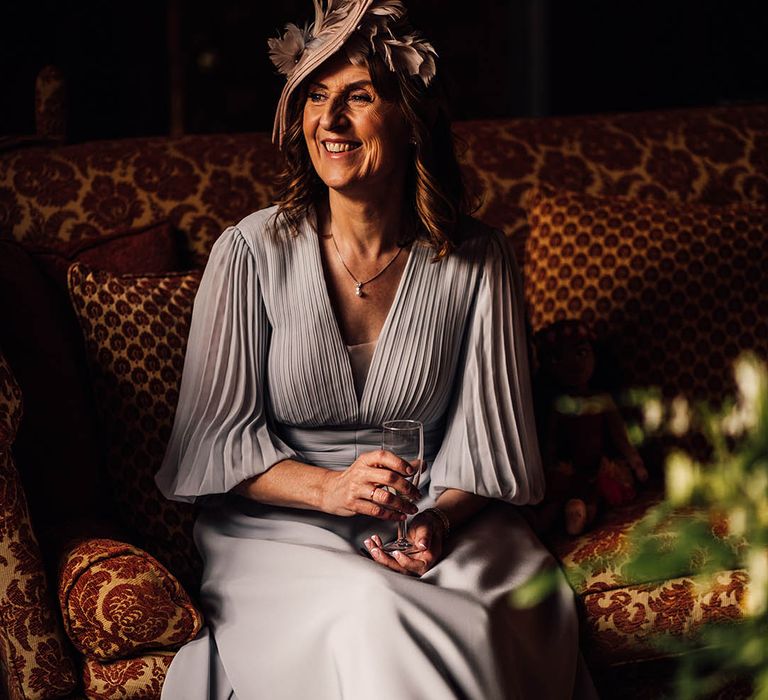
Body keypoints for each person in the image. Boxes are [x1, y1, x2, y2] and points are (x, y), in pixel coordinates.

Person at [156, 1, 597, 698]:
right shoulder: (247, 251)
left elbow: (491, 443)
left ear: (410, 118)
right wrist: (331, 489)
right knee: (372, 615)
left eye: (357, 96)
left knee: (487, 624)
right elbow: (212, 444)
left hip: (435, 519)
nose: (329, 120)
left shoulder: (479, 258)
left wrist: (436, 521)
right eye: (316, 98)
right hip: (280, 527)